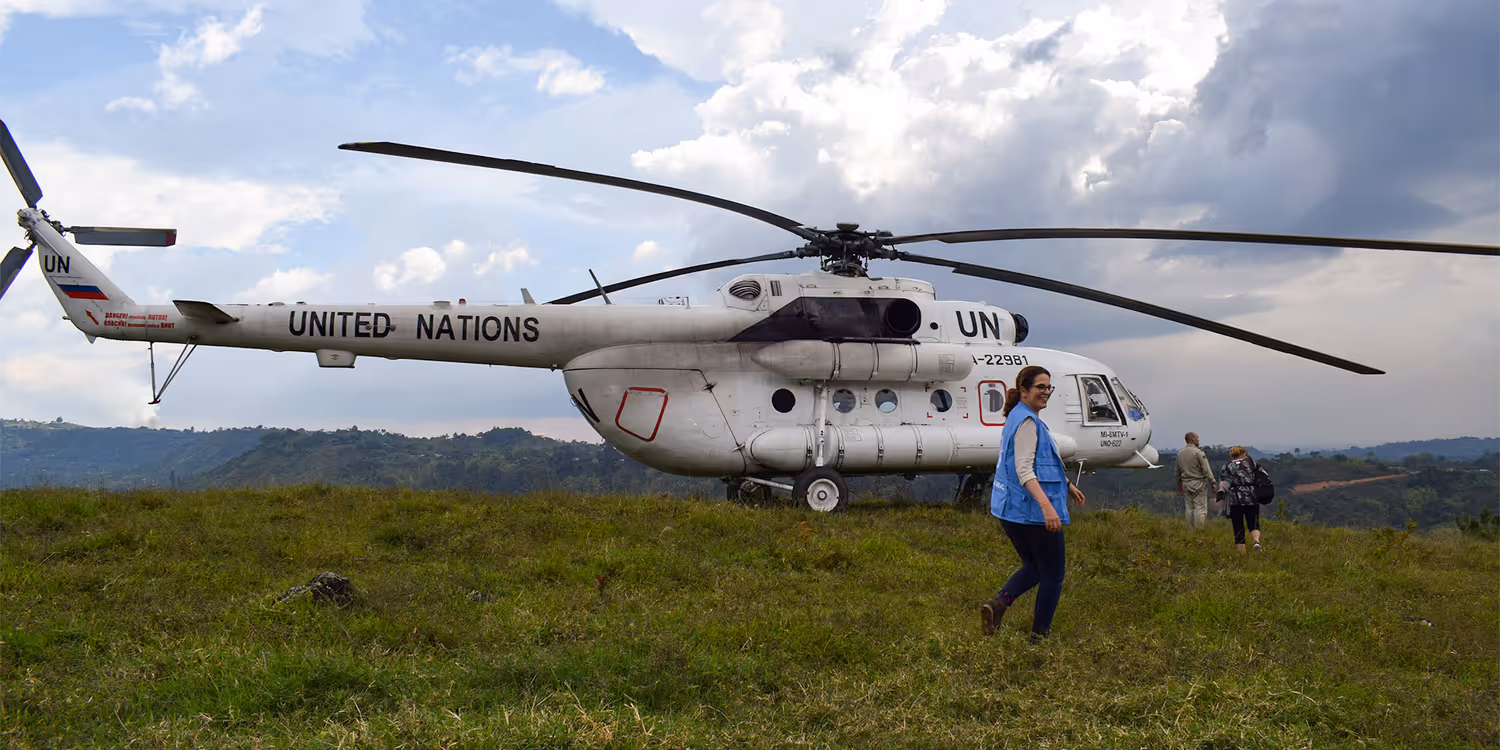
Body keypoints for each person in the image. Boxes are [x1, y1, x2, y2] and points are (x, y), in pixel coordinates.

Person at [981, 365, 1087, 642]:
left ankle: (998, 605)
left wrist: (1067, 485)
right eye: (1040, 387)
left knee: (1034, 567)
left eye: (1048, 387)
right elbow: (1024, 469)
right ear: (1024, 390)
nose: (1046, 392)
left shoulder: (1018, 416)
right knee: (1053, 574)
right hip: (1031, 512)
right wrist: (1046, 506)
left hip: (1011, 510)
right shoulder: (1028, 423)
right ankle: (1039, 639)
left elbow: (1040, 462)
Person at [1217, 446, 1264, 554]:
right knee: (1253, 523)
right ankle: (1256, 541)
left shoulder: (1227, 466)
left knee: (1238, 527)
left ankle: (1242, 556)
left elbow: (1223, 484)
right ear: (1244, 454)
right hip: (1251, 497)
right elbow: (1264, 476)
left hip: (1235, 499)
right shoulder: (1252, 464)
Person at [1174, 432, 1216, 530]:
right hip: (1198, 482)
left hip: (1185, 483)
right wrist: (1212, 482)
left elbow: (1177, 472)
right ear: (1192, 439)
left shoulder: (1180, 453)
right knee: (1200, 508)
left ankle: (1190, 530)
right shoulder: (1198, 453)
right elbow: (1206, 469)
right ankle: (1199, 530)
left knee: (1189, 508)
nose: (1198, 440)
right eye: (1197, 438)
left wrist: (1179, 485)